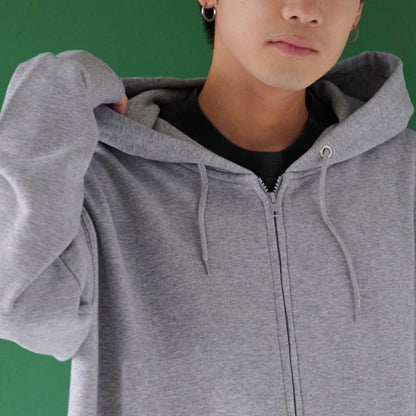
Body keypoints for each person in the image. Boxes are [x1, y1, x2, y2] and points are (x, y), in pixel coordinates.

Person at [1, 0, 415, 415]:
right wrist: (58, 85)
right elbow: (19, 305)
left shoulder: (405, 173)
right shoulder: (102, 181)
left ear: (357, 11)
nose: (304, 10)